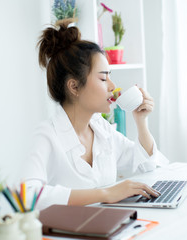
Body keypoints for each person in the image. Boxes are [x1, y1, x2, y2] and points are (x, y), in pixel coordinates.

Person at [22, 22, 167, 210]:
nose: (112, 86)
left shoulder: (100, 128)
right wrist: (105, 194)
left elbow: (145, 166)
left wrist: (141, 121)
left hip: (105, 227)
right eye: (103, 78)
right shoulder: (47, 135)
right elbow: (26, 195)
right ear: (74, 86)